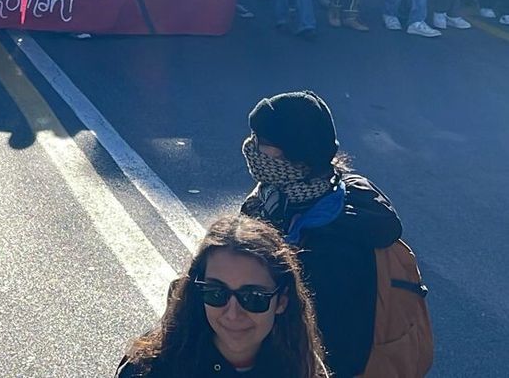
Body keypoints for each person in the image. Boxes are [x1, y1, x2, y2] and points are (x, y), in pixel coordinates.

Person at [240, 91, 415, 378]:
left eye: (263, 142)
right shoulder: (277, 196)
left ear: (298, 156)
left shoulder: (330, 247)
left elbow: (331, 347)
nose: (251, 146)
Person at [116, 214, 327, 378]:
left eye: (253, 298)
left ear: (281, 301)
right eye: (217, 294)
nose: (233, 314)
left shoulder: (302, 367)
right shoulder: (148, 370)